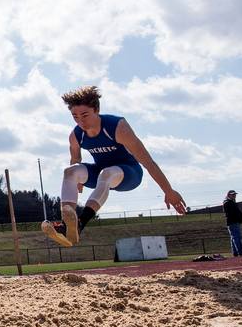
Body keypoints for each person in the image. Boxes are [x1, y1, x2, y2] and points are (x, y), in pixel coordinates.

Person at [42, 85, 186, 247]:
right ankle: (66, 226)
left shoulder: (118, 127)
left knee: (106, 173)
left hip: (129, 174)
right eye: (75, 116)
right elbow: (75, 160)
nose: (80, 121)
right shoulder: (76, 135)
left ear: (96, 110)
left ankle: (81, 222)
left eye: (84, 115)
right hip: (100, 173)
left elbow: (148, 162)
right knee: (70, 172)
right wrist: (77, 182)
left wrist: (168, 191)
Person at [223, 190, 242, 256]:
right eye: (232, 194)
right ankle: (240, 252)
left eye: (235, 194)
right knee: (237, 237)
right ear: (228, 195)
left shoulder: (231, 202)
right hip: (233, 222)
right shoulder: (227, 203)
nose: (234, 195)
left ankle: (235, 252)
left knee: (234, 238)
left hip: (234, 222)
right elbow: (230, 213)